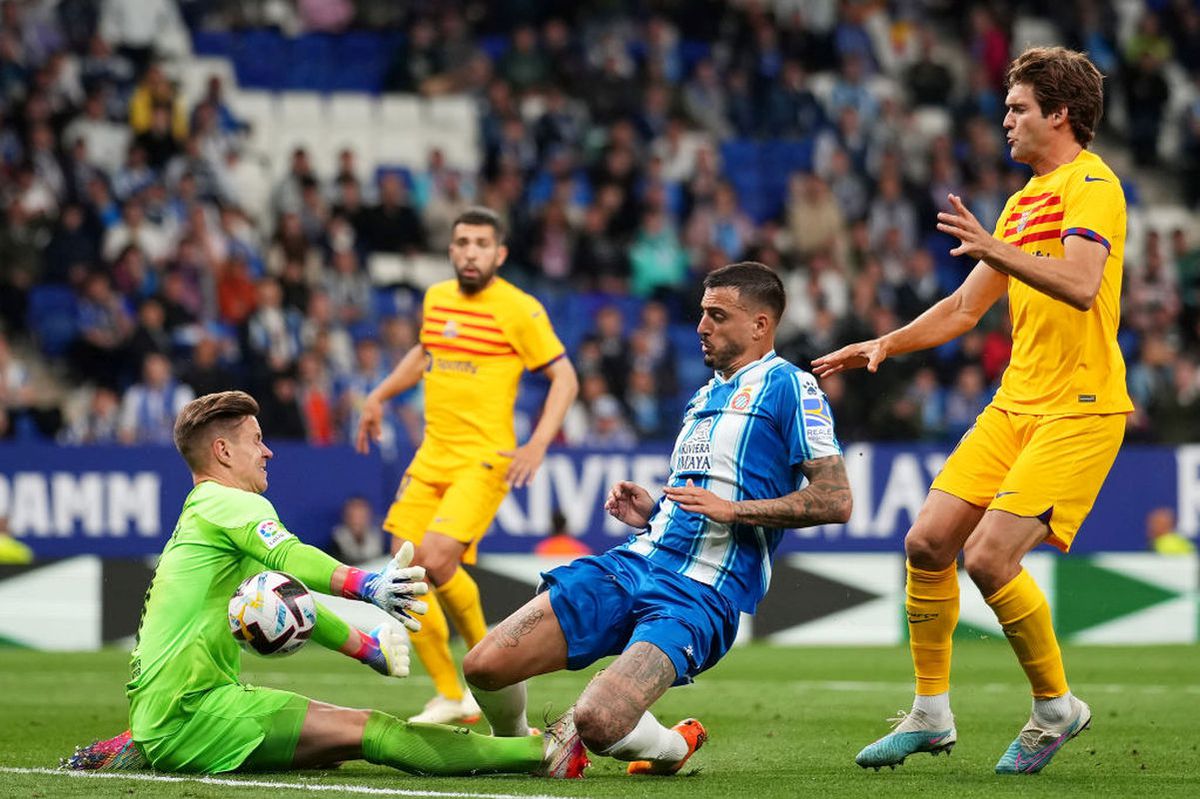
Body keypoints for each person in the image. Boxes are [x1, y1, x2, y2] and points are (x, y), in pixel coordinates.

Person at [813, 47, 1130, 775]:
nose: (1006, 120)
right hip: (1014, 402)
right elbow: (963, 307)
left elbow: (1082, 284)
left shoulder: (1094, 185)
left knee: (989, 555)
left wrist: (994, 246)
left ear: (1061, 114)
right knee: (927, 543)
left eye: (1019, 108)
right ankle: (930, 713)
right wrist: (885, 343)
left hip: (1080, 407)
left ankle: (1055, 707)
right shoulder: (1023, 202)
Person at [67, 390, 586, 778]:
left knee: (335, 747)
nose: (267, 452)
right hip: (197, 711)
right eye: (256, 442)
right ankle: (542, 752)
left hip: (169, 709)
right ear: (223, 451)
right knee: (376, 731)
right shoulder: (232, 503)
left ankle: (150, 740)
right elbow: (291, 555)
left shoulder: (203, 514)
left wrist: (365, 648)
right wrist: (370, 585)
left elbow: (287, 602)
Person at [462, 262, 852, 775]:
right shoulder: (703, 396)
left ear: (760, 325)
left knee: (599, 720)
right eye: (701, 313)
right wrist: (653, 513)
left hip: (700, 595)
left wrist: (734, 511)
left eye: (717, 315)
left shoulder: (790, 387)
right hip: (636, 562)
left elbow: (836, 499)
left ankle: (673, 746)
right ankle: (516, 748)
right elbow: (698, 502)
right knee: (484, 667)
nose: (701, 326)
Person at [355, 207, 578, 724]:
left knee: (432, 560)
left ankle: (495, 666)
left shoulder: (519, 309)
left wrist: (538, 444)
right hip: (433, 452)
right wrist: (380, 395)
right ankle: (453, 694)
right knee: (404, 570)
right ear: (451, 250)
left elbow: (564, 378)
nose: (470, 251)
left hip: (485, 458)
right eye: (461, 242)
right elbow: (424, 353)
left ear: (499, 254)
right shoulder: (436, 299)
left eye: (481, 243)